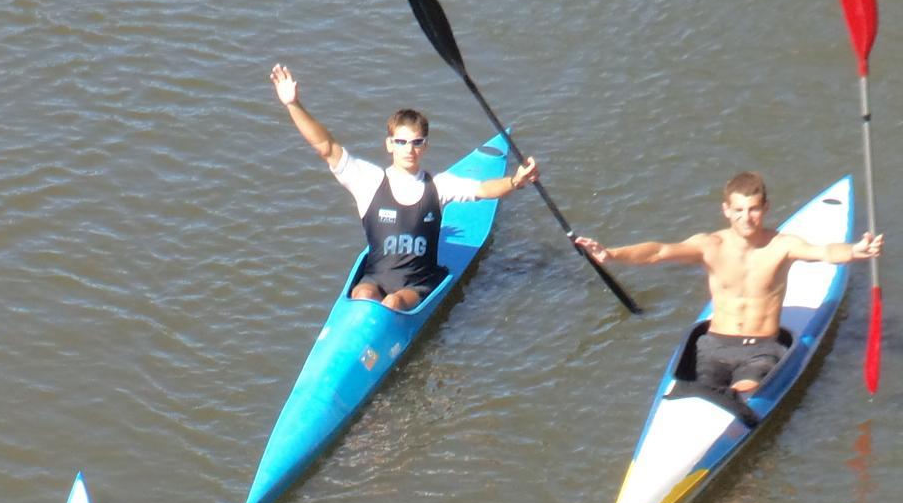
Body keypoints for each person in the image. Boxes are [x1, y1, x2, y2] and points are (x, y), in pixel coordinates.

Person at [575, 172, 883, 394]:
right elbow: (658, 251)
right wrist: (612, 253)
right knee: (696, 400)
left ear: (765, 208)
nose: (746, 217)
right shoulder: (710, 246)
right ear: (726, 210)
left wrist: (855, 251)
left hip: (761, 350)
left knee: (742, 395)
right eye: (739, 210)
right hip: (713, 346)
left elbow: (825, 252)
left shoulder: (782, 245)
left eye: (753, 209)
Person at [270, 63, 539, 310]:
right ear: (389, 144)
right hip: (376, 277)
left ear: (425, 146)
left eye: (416, 142)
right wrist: (293, 105)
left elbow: (484, 189)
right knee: (363, 295)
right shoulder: (368, 181)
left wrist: (515, 181)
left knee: (393, 302)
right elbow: (326, 147)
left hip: (417, 284)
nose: (409, 149)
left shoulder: (440, 186)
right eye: (401, 142)